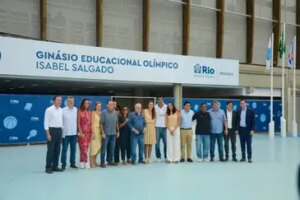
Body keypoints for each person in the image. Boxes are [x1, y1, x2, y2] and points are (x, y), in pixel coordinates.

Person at [44, 96, 64, 174]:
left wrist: (62, 131)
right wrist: (48, 134)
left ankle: (55, 166)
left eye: (61, 100)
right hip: (52, 130)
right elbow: (46, 122)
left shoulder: (61, 110)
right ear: (54, 101)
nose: (60, 101)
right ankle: (48, 167)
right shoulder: (49, 110)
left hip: (59, 130)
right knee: (50, 150)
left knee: (57, 150)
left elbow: (61, 121)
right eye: (58, 100)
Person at [100, 100, 119, 168]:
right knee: (104, 149)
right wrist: (102, 133)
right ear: (107, 105)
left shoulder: (116, 113)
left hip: (113, 134)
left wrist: (118, 131)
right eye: (109, 104)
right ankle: (102, 162)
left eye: (112, 104)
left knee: (112, 148)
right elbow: (101, 123)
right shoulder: (103, 112)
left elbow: (116, 123)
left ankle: (110, 161)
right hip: (106, 134)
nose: (111, 105)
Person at [61, 96, 78, 170]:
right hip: (65, 134)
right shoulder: (63, 110)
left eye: (72, 101)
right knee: (64, 150)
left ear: (74, 102)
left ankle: (72, 163)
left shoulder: (76, 110)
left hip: (74, 134)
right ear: (67, 102)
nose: (71, 102)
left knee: (73, 150)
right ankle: (63, 164)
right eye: (69, 101)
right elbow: (60, 122)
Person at [237, 99, 255, 163]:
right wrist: (237, 129)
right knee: (242, 145)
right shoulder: (238, 111)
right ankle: (243, 157)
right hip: (241, 130)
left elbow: (253, 121)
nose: (242, 104)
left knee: (249, 145)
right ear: (240, 104)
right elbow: (237, 121)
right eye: (241, 103)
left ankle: (249, 158)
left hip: (248, 131)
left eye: (243, 103)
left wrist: (252, 129)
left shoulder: (250, 111)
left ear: (246, 103)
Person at [77, 99, 92, 169]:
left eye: (88, 103)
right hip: (82, 132)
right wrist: (80, 132)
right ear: (83, 103)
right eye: (86, 103)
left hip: (88, 132)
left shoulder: (89, 112)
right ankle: (86, 162)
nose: (87, 104)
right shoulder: (79, 111)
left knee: (85, 148)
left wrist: (91, 132)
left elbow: (90, 123)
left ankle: (81, 162)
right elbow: (78, 123)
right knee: (83, 147)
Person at [155, 96, 167, 161]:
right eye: (159, 99)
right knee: (157, 143)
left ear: (163, 100)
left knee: (166, 143)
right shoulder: (155, 107)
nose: (160, 100)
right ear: (157, 100)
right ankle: (158, 156)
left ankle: (166, 156)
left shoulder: (166, 107)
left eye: (161, 99)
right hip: (157, 127)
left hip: (165, 127)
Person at [90, 102, 102, 168]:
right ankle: (92, 162)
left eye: (100, 106)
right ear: (95, 106)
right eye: (98, 106)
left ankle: (95, 161)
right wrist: (93, 132)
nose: (99, 107)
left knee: (98, 147)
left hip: (99, 132)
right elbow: (91, 123)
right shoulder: (93, 113)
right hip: (94, 131)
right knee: (93, 147)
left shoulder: (101, 113)